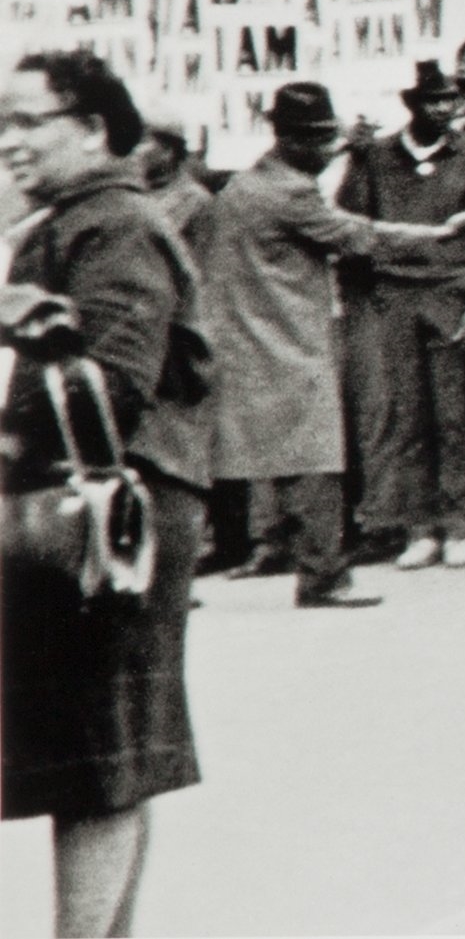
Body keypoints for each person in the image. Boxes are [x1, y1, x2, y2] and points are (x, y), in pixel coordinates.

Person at [2, 51, 219, 935]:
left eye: (28, 121)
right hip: (79, 509)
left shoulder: (118, 225)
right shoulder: (67, 223)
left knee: (100, 757)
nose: (10, 142)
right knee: (99, 757)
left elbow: (110, 386)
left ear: (93, 127)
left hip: (106, 515)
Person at [200, 81, 465, 605]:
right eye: (318, 140)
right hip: (284, 342)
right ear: (289, 140)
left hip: (248, 339)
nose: (326, 149)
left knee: (264, 464)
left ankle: (279, 563)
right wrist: (439, 235)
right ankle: (323, 577)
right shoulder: (289, 193)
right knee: (317, 462)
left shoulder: (247, 185)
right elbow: (360, 235)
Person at [336, 61, 465, 569]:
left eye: (451, 99)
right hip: (395, 296)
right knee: (407, 417)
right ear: (412, 103)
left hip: (451, 292)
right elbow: (353, 223)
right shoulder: (376, 154)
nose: (446, 108)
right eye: (435, 100)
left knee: (454, 415)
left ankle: (461, 528)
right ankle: (421, 529)